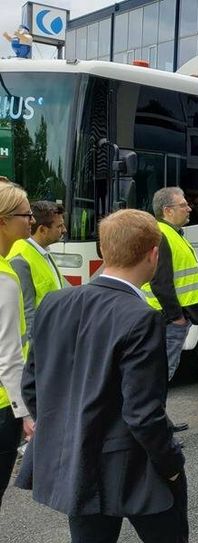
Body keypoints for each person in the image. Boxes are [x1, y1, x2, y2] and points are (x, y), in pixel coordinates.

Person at [19, 209, 187, 541]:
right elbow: (143, 414)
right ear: (154, 255)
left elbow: (32, 385)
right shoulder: (142, 318)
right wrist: (170, 464)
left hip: (77, 464)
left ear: (102, 250)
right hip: (135, 468)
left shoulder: (54, 302)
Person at [142, 187, 198, 433]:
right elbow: (159, 282)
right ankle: (155, 430)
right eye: (184, 205)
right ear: (168, 210)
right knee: (161, 374)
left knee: (162, 373)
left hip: (171, 318)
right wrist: (177, 318)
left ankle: (160, 423)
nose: (189, 208)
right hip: (169, 320)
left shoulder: (172, 233)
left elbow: (173, 273)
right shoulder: (163, 235)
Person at [0, 182, 35, 509]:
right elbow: (8, 357)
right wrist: (24, 413)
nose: (31, 220)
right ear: (3, 221)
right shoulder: (4, 278)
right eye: (25, 215)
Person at [9, 200, 68, 345]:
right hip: (37, 347)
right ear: (42, 230)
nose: (64, 230)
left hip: (50, 338)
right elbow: (27, 313)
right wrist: (32, 359)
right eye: (59, 226)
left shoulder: (43, 252)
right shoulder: (21, 259)